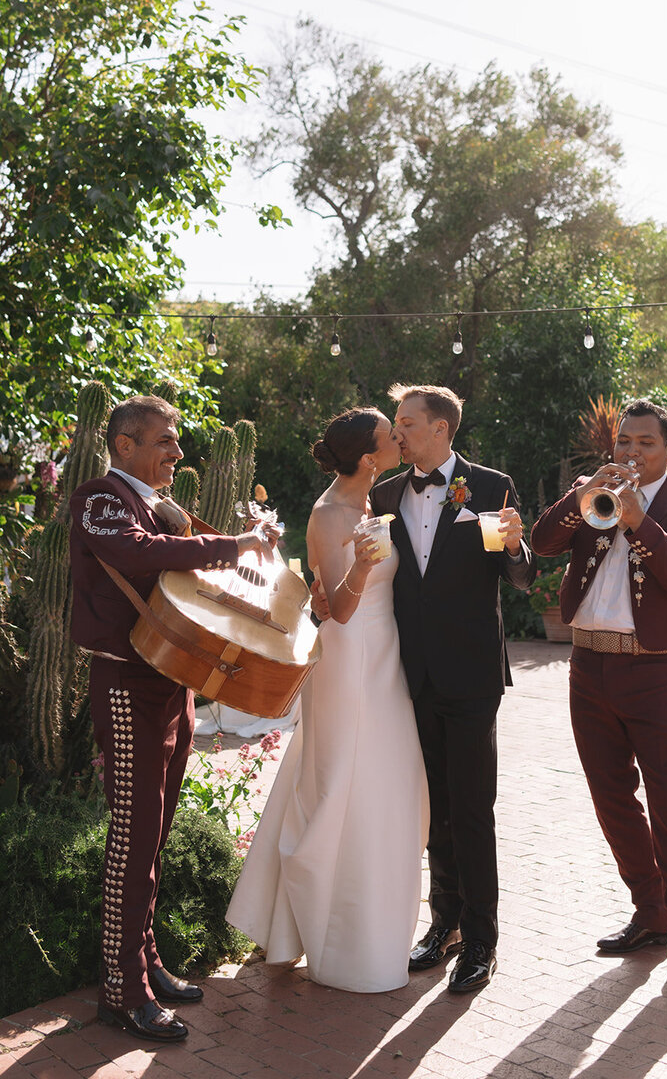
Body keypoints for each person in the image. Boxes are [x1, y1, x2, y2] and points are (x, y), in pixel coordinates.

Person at [70, 395, 274, 1043]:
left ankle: (147, 963)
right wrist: (233, 544)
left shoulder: (163, 505)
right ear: (124, 444)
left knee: (152, 835)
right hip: (128, 684)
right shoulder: (101, 498)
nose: (177, 453)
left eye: (177, 440)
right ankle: (121, 991)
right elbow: (137, 553)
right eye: (165, 441)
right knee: (133, 838)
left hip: (169, 679)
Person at [226, 408, 428, 992]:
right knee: (349, 784)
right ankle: (341, 937)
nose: (398, 439)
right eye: (391, 437)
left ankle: (335, 925)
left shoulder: (368, 503)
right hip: (350, 661)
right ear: (370, 458)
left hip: (384, 655)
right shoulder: (329, 513)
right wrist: (364, 567)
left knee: (385, 785)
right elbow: (336, 609)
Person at [530, 398, 667, 994]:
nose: (631, 452)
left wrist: (640, 519)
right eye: (623, 442)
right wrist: (582, 494)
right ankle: (650, 910)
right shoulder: (594, 492)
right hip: (587, 667)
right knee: (611, 798)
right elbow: (540, 543)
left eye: (644, 443)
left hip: (651, 673)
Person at [370, 384, 536, 993]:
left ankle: (482, 940)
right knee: (435, 805)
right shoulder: (385, 493)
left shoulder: (489, 488)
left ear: (442, 429)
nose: (397, 432)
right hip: (411, 674)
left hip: (470, 676)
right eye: (396, 423)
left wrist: (517, 544)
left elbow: (519, 576)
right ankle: (444, 927)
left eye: (407, 423)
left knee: (471, 808)